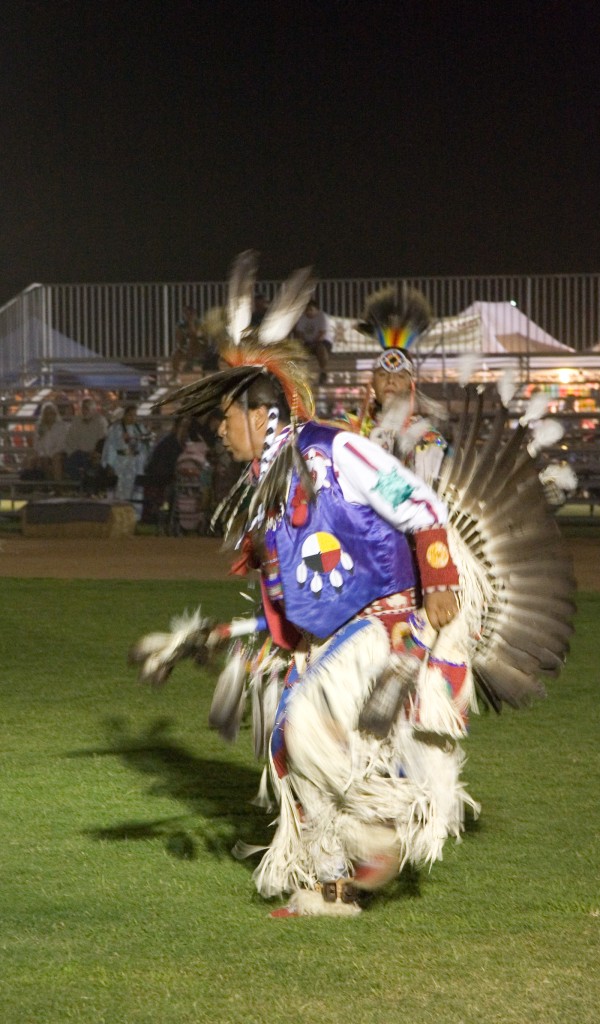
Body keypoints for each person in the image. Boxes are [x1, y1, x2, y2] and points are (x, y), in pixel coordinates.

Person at [131, 253, 575, 919]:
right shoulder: (266, 492)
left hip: (389, 620)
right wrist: (218, 638)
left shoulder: (333, 449)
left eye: (225, 417)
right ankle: (337, 883)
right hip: (337, 630)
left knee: (313, 726)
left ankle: (381, 833)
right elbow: (294, 597)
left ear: (259, 412)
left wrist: (443, 574)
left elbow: (418, 504)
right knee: (289, 742)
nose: (219, 433)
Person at [353, 286, 448, 486]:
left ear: (410, 384)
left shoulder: (427, 436)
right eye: (382, 374)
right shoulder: (349, 427)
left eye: (399, 375)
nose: (390, 381)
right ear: (372, 382)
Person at [140, 414, 192, 525]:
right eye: (182, 426)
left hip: (168, 477)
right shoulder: (169, 443)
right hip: (160, 478)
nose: (184, 429)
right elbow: (163, 464)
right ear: (177, 427)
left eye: (186, 426)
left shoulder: (182, 443)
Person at [100, 404, 151, 511]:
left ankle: (135, 517)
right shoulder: (116, 428)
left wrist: (144, 458)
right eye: (130, 415)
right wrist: (110, 465)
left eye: (135, 415)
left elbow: (145, 446)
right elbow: (110, 446)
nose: (132, 417)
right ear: (124, 415)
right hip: (121, 463)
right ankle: (121, 515)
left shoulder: (140, 428)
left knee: (136, 492)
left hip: (136, 464)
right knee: (121, 490)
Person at [20, 401, 70, 481]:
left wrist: (51, 455)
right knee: (38, 460)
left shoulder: (61, 426)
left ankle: (57, 486)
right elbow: (37, 444)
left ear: (55, 414)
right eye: (46, 413)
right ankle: (44, 485)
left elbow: (61, 444)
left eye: (51, 413)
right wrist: (43, 454)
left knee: (55, 459)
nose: (49, 416)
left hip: (59, 453)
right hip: (43, 455)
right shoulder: (39, 427)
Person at [63, 397, 109, 482]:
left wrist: (96, 452)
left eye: (87, 408)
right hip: (78, 452)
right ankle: (80, 484)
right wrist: (73, 452)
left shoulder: (101, 421)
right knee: (69, 464)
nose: (84, 411)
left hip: (95, 453)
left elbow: (102, 440)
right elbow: (69, 440)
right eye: (83, 408)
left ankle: (87, 485)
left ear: (94, 409)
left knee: (92, 465)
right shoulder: (76, 421)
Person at [294, 298, 333, 384]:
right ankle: (301, 374)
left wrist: (313, 342)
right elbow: (299, 333)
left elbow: (322, 333)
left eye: (311, 310)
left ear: (317, 310)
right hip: (308, 342)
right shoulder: (302, 318)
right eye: (307, 310)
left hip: (323, 342)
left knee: (320, 349)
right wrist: (303, 341)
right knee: (298, 351)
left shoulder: (322, 317)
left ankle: (323, 371)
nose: (309, 312)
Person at [170, 305, 206, 382]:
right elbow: (178, 338)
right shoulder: (181, 325)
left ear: (194, 314)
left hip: (199, 348)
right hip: (186, 348)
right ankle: (175, 375)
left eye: (190, 314)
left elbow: (198, 336)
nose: (188, 316)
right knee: (175, 354)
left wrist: (191, 324)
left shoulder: (199, 324)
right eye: (186, 314)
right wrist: (181, 345)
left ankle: (190, 365)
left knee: (193, 340)